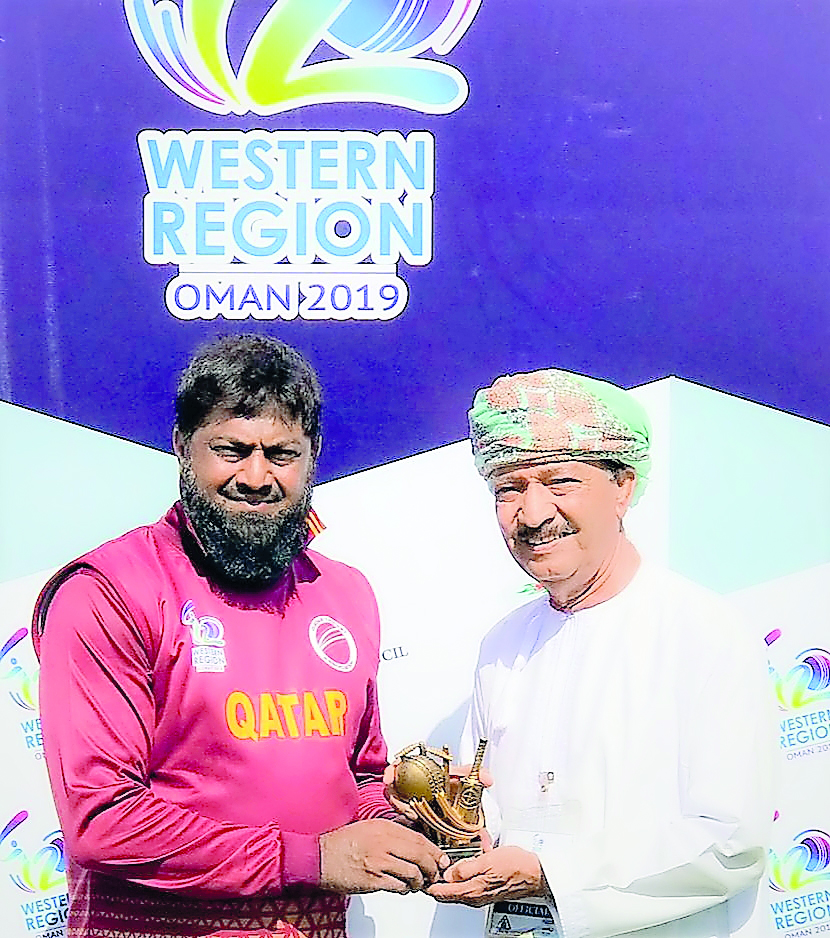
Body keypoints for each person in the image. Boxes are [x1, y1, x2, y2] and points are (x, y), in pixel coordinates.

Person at [32, 335, 446, 938]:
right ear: (181, 447)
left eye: (281, 453)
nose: (256, 476)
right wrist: (313, 858)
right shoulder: (108, 591)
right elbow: (102, 820)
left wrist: (417, 825)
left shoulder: (345, 592)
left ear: (313, 457)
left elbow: (357, 778)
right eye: (231, 449)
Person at [428, 368, 776, 938]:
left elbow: (730, 840)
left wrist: (548, 873)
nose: (534, 514)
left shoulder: (701, 631)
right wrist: (447, 821)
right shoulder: (503, 644)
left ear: (623, 487)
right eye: (510, 489)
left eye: (560, 482)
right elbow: (487, 811)